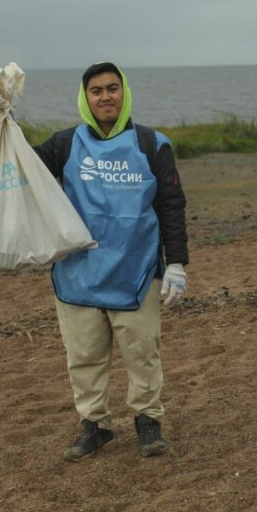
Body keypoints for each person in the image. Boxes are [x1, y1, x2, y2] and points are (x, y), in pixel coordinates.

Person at [33, 61, 189, 461]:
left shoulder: (153, 144)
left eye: (113, 88)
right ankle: (95, 425)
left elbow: (171, 206)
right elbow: (22, 172)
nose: (106, 96)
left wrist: (177, 263)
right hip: (78, 274)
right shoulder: (64, 145)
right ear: (85, 98)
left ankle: (147, 421)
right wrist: (2, 123)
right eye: (97, 90)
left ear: (125, 93)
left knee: (141, 352)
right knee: (83, 355)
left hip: (135, 273)